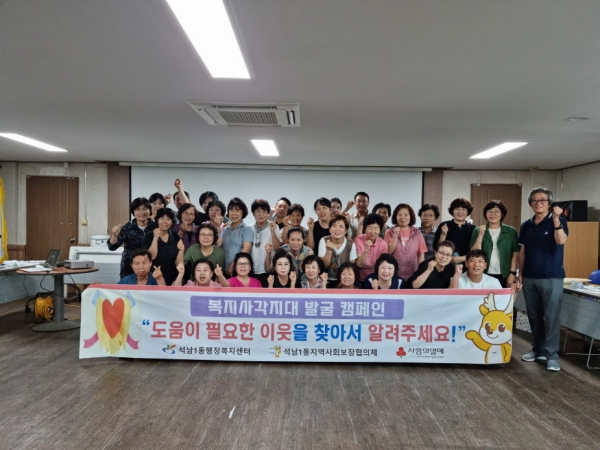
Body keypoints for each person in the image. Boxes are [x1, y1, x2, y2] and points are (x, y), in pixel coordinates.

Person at [518, 187, 568, 371]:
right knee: (533, 316)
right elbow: (522, 251)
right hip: (530, 277)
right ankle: (537, 349)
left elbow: (561, 240)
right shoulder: (526, 225)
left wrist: (556, 219)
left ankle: (552, 355)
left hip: (552, 277)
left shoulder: (559, 220)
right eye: (534, 200)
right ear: (530, 203)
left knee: (552, 317)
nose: (538, 203)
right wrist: (520, 274)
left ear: (549, 203)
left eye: (543, 200)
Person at [469, 200, 520, 288]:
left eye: (496, 211)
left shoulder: (511, 231)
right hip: (483, 273)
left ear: (502, 214)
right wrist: (480, 235)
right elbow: (474, 253)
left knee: (503, 296)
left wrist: (512, 273)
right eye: (489, 211)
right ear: (485, 214)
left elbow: (515, 254)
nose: (493, 214)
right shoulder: (478, 230)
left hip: (505, 274)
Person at [108, 197, 157, 278]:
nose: (141, 212)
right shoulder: (127, 227)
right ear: (133, 212)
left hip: (150, 268)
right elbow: (112, 247)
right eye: (138, 209)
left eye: (144, 209)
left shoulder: (156, 227)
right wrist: (114, 236)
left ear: (150, 210)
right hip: (129, 268)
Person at [385, 203, 428, 281]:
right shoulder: (389, 231)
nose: (403, 217)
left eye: (406, 214)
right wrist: (395, 235)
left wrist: (421, 271)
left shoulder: (417, 232)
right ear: (395, 216)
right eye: (400, 214)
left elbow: (421, 253)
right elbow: (389, 251)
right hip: (393, 274)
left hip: (413, 274)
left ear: (411, 216)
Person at [142, 208, 183, 286]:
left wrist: (181, 250)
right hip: (154, 277)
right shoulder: (149, 236)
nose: (164, 222)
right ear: (157, 220)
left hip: (172, 277)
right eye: (162, 218)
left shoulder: (175, 236)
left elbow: (178, 263)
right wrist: (155, 238)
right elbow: (151, 257)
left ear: (172, 222)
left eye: (168, 219)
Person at [433, 198, 476, 265]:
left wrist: (462, 258)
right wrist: (443, 235)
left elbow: (475, 250)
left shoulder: (473, 229)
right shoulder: (444, 225)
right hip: (445, 263)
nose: (460, 212)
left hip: (466, 264)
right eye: (457, 209)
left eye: (463, 209)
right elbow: (436, 247)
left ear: (468, 211)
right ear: (452, 211)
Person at [250, 199, 282, 287]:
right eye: (258, 211)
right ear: (253, 213)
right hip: (252, 270)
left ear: (268, 213)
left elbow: (277, 247)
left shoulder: (274, 226)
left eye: (264, 212)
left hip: (268, 270)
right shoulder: (249, 228)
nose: (261, 214)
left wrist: (272, 231)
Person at [318, 216, 357, 287]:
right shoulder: (324, 240)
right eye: (334, 226)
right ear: (330, 229)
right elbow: (324, 266)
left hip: (344, 280)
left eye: (341, 227)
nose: (337, 229)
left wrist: (342, 283)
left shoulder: (351, 244)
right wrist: (329, 250)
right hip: (325, 279)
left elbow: (351, 267)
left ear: (345, 231)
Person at [220, 197, 254, 275]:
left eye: (237, 210)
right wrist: (218, 226)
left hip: (239, 270)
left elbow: (246, 249)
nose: (234, 213)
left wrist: (233, 265)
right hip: (224, 270)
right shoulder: (225, 229)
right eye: (231, 210)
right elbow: (218, 244)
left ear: (243, 212)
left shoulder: (246, 229)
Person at [354, 213, 389, 284]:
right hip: (359, 278)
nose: (373, 232)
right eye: (369, 228)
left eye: (376, 229)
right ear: (364, 229)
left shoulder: (383, 244)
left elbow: (383, 265)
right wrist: (366, 249)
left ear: (380, 230)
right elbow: (359, 264)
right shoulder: (358, 240)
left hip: (376, 278)